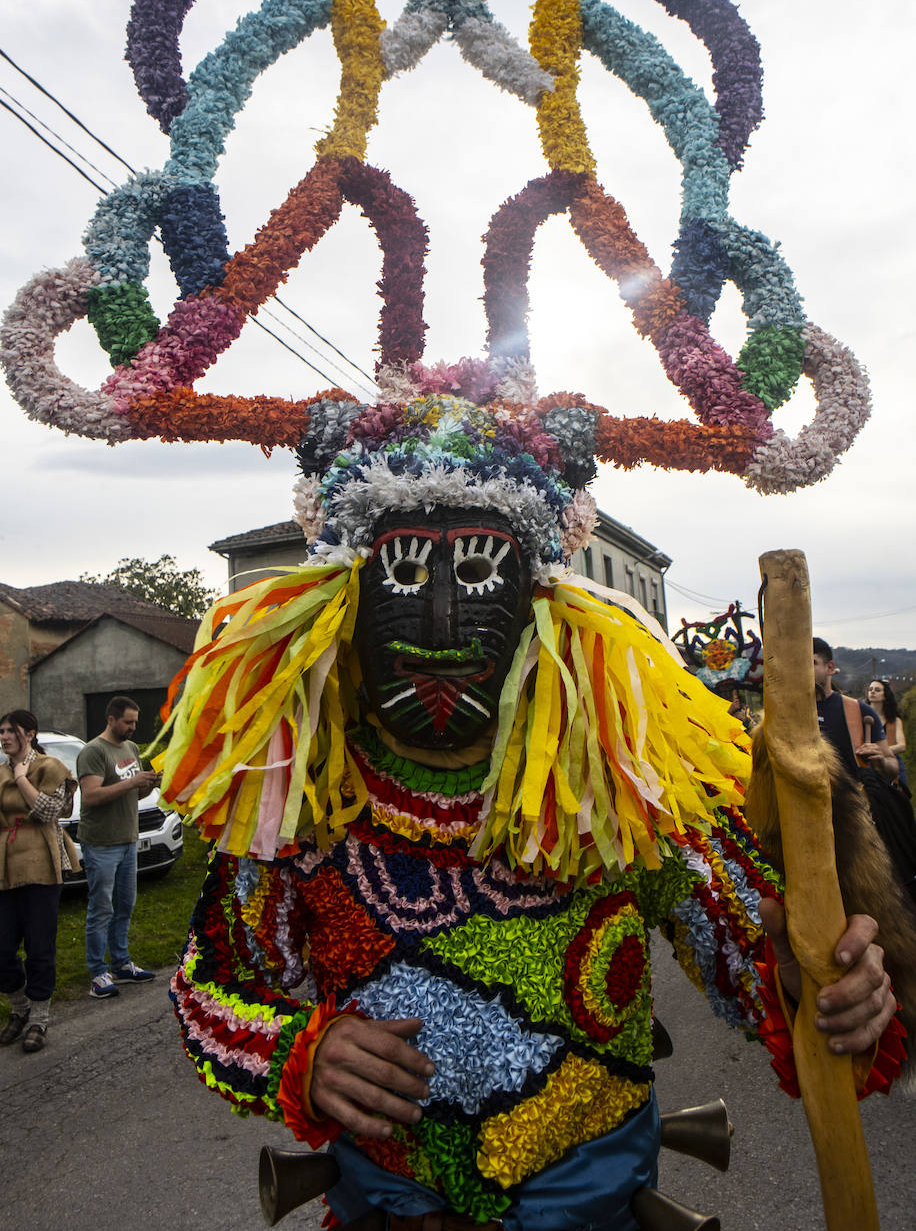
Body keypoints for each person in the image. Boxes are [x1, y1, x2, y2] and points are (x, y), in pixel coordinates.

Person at [156, 447, 902, 1230]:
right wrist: (297, 1057)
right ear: (344, 604)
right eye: (405, 578)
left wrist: (820, 990)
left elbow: (767, 968)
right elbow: (208, 986)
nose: (442, 625)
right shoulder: (303, 803)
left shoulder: (621, 791)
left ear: (535, 606)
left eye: (478, 574)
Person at [814, 639, 916, 902]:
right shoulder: (788, 713)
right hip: (810, 819)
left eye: (811, 663)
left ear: (830, 667)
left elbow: (892, 769)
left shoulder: (857, 710)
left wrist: (880, 760)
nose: (803, 670)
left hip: (858, 821)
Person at [0, 709, 76, 1052]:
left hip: (43, 865)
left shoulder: (49, 767)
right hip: (6, 866)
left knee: (39, 946)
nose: (3, 738)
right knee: (2, 948)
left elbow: (47, 811)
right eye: (0, 732)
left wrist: (20, 778)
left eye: (9, 731)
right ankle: (20, 1009)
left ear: (28, 734)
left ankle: (38, 1019)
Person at [76, 696, 158, 998]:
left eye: (135, 722)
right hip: (101, 843)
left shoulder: (131, 748)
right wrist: (132, 782)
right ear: (111, 719)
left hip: (127, 839)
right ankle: (98, 972)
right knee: (101, 909)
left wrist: (148, 783)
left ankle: (121, 963)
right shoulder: (93, 751)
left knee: (125, 905)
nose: (133, 727)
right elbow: (92, 796)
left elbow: (130, 795)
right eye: (128, 722)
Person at [866, 678, 908, 790]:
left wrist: (882, 752)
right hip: (867, 764)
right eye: (870, 689)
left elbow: (902, 746)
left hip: (892, 764)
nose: (872, 692)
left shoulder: (894, 721)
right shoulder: (860, 717)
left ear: (885, 695)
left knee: (901, 797)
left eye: (877, 690)